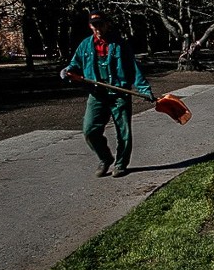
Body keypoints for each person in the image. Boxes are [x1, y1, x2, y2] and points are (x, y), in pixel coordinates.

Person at [60, 10, 153, 178]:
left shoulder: (120, 44)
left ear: (107, 24)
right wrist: (67, 71)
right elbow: (74, 64)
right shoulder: (85, 46)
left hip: (119, 94)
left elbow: (134, 68)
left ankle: (120, 164)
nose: (98, 28)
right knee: (89, 130)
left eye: (100, 24)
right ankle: (105, 158)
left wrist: (144, 90)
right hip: (97, 94)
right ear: (90, 26)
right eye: (94, 25)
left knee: (123, 132)